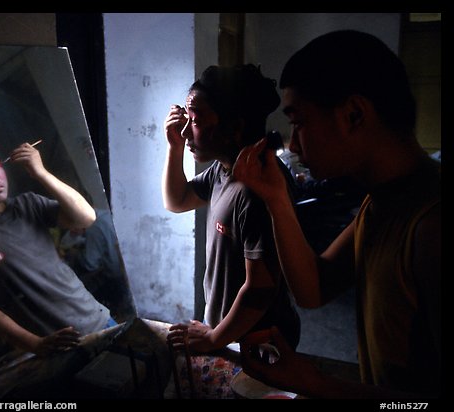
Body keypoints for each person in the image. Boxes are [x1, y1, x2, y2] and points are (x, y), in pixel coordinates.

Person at [233, 30, 440, 398]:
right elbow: (314, 289)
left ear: (353, 115)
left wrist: (316, 385)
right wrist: (277, 199)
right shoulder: (381, 202)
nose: (294, 143)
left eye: (299, 122)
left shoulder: (431, 222)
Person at [162, 64, 301, 354]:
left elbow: (260, 289)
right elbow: (177, 200)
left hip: (257, 343)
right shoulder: (223, 170)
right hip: (229, 334)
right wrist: (175, 149)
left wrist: (213, 339)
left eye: (196, 122)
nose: (186, 132)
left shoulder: (257, 189)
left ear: (234, 128)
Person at [0, 136, 113, 357]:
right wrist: (36, 344)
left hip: (98, 320)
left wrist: (40, 172)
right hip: (55, 347)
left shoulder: (28, 204)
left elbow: (86, 218)